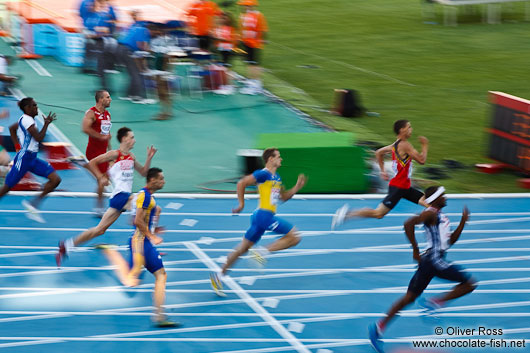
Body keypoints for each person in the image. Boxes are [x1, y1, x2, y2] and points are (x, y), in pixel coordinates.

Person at [368, 186, 477, 353]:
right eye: (443, 195)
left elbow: (449, 243)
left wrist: (463, 222)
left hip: (429, 262)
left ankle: (378, 328)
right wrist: (415, 249)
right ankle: (434, 303)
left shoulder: (439, 216)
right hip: (433, 261)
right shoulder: (431, 213)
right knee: (469, 284)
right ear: (435, 199)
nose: (446, 197)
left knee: (409, 298)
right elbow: (408, 223)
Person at [210, 148, 307, 296]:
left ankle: (218, 276)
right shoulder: (264, 174)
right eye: (279, 157)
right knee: (294, 237)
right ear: (270, 159)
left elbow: (283, 197)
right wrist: (241, 204)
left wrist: (296, 187)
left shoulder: (277, 178)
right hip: (263, 216)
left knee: (242, 249)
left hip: (260, 218)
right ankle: (262, 252)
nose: (281, 160)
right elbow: (241, 183)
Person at [56, 126, 157, 266]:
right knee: (146, 205)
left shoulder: (131, 157)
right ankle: (148, 245)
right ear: (124, 139)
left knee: (99, 230)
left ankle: (66, 245)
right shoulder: (114, 154)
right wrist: (100, 177)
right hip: (121, 196)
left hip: (121, 199)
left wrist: (149, 158)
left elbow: (143, 173)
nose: (134, 140)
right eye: (132, 137)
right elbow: (92, 162)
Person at [96, 167, 178, 327]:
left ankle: (159, 316)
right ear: (152, 180)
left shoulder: (146, 196)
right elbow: (137, 221)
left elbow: (137, 219)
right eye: (161, 179)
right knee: (139, 280)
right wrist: (152, 235)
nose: (164, 181)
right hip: (140, 243)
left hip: (142, 241)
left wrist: (153, 229)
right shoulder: (144, 197)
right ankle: (110, 251)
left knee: (154, 277)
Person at [332, 119, 429, 229]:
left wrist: (383, 171)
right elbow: (422, 160)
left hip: (404, 186)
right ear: (402, 130)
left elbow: (379, 153)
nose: (411, 129)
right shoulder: (405, 145)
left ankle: (422, 220)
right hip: (399, 187)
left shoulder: (395, 145)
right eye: (409, 127)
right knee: (378, 214)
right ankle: (348, 214)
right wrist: (425, 145)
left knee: (430, 204)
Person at [0, 98, 61, 223]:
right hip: (23, 160)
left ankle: (33, 205)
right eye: (34, 106)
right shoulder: (27, 121)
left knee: (55, 180)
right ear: (27, 108)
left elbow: (12, 128)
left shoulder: (25, 119)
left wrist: (17, 146)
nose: (36, 107)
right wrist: (46, 124)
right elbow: (38, 138)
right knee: (7, 187)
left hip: (32, 158)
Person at [83, 90, 112, 216]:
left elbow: (107, 135)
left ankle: (85, 165)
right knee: (103, 179)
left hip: (103, 151)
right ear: (100, 99)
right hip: (93, 151)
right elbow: (85, 128)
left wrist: (110, 152)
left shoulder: (107, 114)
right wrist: (100, 137)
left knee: (106, 179)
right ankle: (99, 208)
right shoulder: (91, 113)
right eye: (108, 97)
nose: (110, 99)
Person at [238, 0, 268, 95]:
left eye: (245, 5)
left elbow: (263, 29)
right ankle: (251, 83)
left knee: (254, 64)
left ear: (250, 6)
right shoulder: (243, 16)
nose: (243, 7)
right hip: (246, 43)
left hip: (254, 44)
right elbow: (242, 29)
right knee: (249, 63)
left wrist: (261, 41)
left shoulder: (258, 16)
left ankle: (256, 85)